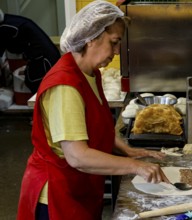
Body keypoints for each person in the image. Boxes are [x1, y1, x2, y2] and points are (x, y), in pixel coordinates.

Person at [17, 1, 169, 219]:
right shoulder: (65, 86)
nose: (117, 52)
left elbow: (93, 125)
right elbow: (77, 156)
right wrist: (135, 166)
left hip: (80, 186)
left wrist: (124, 148)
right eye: (114, 43)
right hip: (57, 195)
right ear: (91, 37)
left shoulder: (89, 73)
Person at [0, 9, 61, 93]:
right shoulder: (11, 21)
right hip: (47, 55)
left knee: (39, 86)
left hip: (44, 59)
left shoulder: (5, 27)